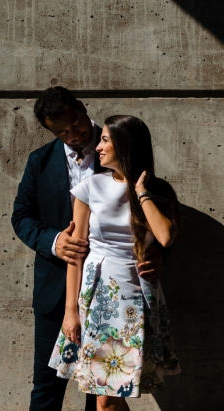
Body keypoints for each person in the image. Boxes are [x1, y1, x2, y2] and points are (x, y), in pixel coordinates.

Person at [11, 87, 166, 411]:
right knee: (47, 385)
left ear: (82, 107)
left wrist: (157, 254)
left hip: (117, 294)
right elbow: (21, 216)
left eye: (75, 123)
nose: (73, 134)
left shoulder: (119, 143)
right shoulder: (39, 161)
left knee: (100, 392)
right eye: (62, 132)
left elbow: (153, 218)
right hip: (58, 292)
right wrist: (54, 241)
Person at [48, 115, 181, 409]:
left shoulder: (157, 191)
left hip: (136, 298)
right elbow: (76, 252)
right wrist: (70, 312)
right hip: (98, 298)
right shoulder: (90, 187)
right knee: (106, 395)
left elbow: (164, 236)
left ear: (125, 145)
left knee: (111, 394)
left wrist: (142, 191)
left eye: (105, 139)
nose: (98, 146)